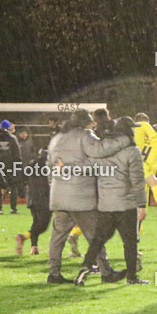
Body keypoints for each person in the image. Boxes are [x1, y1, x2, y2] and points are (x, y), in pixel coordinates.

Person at [46, 109, 130, 285]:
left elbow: (50, 167)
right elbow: (101, 152)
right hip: (80, 196)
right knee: (95, 236)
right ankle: (106, 272)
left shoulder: (57, 138)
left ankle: (53, 274)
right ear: (86, 122)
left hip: (59, 195)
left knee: (57, 238)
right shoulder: (85, 136)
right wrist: (124, 140)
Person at [79, 117, 148, 285]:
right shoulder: (132, 151)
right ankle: (132, 277)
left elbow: (88, 168)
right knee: (130, 242)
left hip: (106, 204)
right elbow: (137, 180)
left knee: (98, 240)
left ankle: (85, 268)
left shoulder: (102, 149)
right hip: (126, 204)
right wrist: (141, 204)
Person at [15, 146, 51, 256]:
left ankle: (34, 247)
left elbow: (21, 177)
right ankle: (24, 236)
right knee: (43, 225)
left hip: (31, 197)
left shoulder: (31, 164)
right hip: (44, 198)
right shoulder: (49, 166)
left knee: (36, 222)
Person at [133, 113, 157, 218]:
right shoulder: (144, 127)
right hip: (140, 165)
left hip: (131, 165)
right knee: (155, 183)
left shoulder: (134, 134)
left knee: (142, 199)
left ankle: (138, 229)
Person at [0, 119, 22, 214]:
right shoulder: (12, 138)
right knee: (13, 187)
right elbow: (17, 154)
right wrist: (17, 168)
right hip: (10, 167)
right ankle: (13, 208)